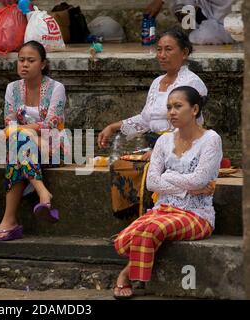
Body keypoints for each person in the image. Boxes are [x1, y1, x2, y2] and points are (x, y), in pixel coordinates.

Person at [112, 85, 222, 299]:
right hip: (163, 209)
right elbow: (152, 183)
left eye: (178, 106)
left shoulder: (211, 140)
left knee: (149, 229)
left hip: (197, 215)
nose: (171, 112)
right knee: (123, 239)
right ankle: (134, 270)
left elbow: (200, 179)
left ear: (195, 109)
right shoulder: (163, 141)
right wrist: (187, 187)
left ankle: (127, 275)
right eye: (169, 107)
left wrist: (168, 178)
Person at [97, 27, 207, 216]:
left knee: (149, 172)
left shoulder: (192, 83)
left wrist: (159, 150)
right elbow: (146, 119)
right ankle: (132, 222)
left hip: (182, 147)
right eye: (159, 49)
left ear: (185, 53)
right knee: (120, 164)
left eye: (168, 49)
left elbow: (189, 125)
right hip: (154, 145)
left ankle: (151, 219)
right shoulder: (157, 83)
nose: (162, 55)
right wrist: (113, 126)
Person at [0, 40, 67, 242]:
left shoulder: (56, 88)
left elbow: (50, 124)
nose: (24, 64)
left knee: (17, 141)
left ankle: (9, 221)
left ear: (43, 64)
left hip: (53, 146)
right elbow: (8, 122)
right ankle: (43, 194)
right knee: (19, 144)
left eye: (31, 60)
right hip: (24, 148)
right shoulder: (12, 88)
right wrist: (26, 135)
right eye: (21, 60)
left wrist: (22, 132)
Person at [146, 0, 234, 44]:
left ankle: (188, 34)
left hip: (225, 25)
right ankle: (189, 28)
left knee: (206, 36)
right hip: (204, 13)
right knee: (181, 2)